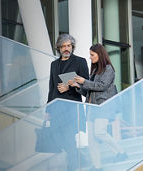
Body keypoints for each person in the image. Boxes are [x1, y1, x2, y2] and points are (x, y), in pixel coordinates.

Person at [69, 43, 128, 171]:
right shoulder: (95, 71)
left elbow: (102, 86)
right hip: (91, 107)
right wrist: (78, 86)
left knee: (99, 132)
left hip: (103, 106)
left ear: (99, 55)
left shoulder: (108, 69)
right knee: (91, 139)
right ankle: (97, 166)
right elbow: (89, 91)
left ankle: (121, 152)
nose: (90, 57)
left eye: (92, 55)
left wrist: (83, 81)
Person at [45, 34, 89, 171]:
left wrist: (69, 86)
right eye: (63, 46)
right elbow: (51, 88)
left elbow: (86, 86)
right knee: (59, 140)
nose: (66, 48)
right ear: (59, 48)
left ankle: (74, 166)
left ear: (72, 47)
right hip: (56, 109)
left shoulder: (80, 62)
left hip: (71, 109)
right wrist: (48, 110)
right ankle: (79, 161)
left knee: (69, 138)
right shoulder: (54, 64)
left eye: (68, 45)